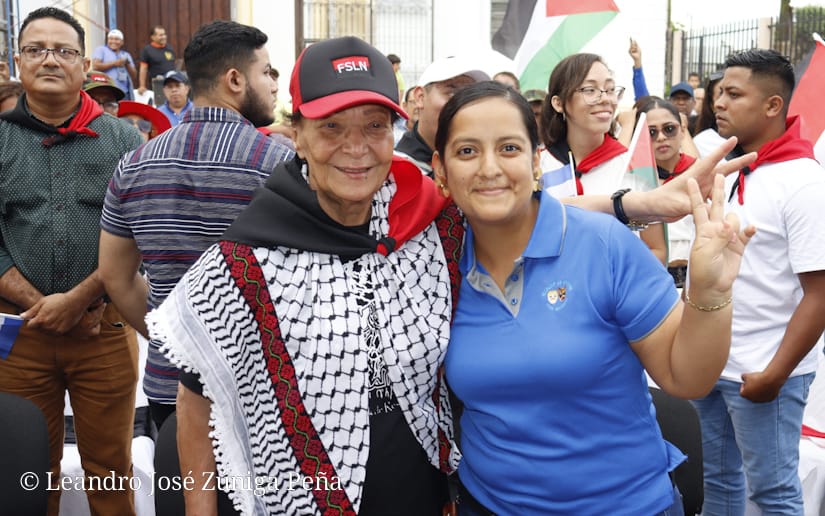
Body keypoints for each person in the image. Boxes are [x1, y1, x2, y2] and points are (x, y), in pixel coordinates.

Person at [148, 35, 461, 515]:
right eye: (331, 126)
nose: (356, 147)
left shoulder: (429, 229)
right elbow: (194, 406)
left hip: (417, 487)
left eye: (375, 126)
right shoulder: (245, 261)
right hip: (297, 496)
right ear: (297, 134)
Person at [432, 79, 754, 516]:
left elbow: (686, 378)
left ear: (535, 161)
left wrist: (712, 292)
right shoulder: (437, 264)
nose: (489, 168)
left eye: (509, 148)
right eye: (467, 151)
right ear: (441, 169)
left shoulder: (603, 245)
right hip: (488, 505)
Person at [99, 20, 292, 434]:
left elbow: (116, 276)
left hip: (170, 382)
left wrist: (168, 337)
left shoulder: (133, 165)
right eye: (266, 72)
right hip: (259, 387)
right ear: (235, 80)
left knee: (181, 478)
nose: (274, 84)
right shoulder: (279, 165)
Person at [0, 7, 143, 516]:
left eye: (63, 50)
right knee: (26, 470)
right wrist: (43, 307)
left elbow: (138, 235)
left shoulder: (124, 142)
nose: (49, 60)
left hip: (103, 329)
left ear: (84, 65)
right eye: (36, 49)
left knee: (111, 469)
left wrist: (81, 301)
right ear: (18, 62)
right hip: (19, 333)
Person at [691, 48, 825, 515]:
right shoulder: (736, 170)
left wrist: (775, 374)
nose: (718, 102)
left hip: (764, 372)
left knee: (774, 494)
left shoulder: (803, 182)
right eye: (719, 93)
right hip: (714, 365)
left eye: (733, 93)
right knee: (720, 485)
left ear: (772, 105)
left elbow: (819, 294)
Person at [539, 53, 668, 265]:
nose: (606, 99)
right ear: (559, 103)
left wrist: (610, 277)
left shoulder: (633, 166)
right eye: (590, 90)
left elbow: (657, 250)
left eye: (610, 89)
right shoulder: (538, 166)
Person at [635, 96, 698, 288]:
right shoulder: (633, 181)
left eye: (669, 129)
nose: (661, 137)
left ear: (682, 130)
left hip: (697, 275)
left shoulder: (700, 172)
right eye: (651, 132)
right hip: (653, 277)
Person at [395, 55, 489, 177]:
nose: (462, 103)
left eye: (470, 95)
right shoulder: (394, 171)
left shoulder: (487, 163)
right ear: (420, 97)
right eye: (452, 93)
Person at [92, 28, 136, 100]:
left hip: (124, 92)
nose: (113, 41)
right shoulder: (101, 50)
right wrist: (114, 63)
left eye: (116, 39)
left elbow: (134, 75)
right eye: (111, 39)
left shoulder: (126, 54)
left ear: (122, 42)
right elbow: (95, 66)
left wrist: (127, 64)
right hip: (107, 92)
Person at [692, 71, 726, 157]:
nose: (727, 101)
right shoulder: (703, 144)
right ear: (712, 105)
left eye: (734, 94)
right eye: (721, 95)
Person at [138, 25, 175, 96]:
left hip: (171, 84)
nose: (164, 37)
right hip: (158, 86)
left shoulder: (169, 48)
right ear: (153, 37)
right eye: (160, 35)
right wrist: (142, 85)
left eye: (164, 34)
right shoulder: (147, 50)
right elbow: (143, 69)